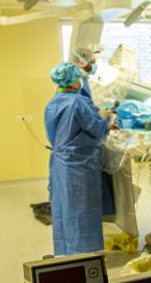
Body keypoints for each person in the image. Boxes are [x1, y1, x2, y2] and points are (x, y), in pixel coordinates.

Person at [45, 61, 110, 255]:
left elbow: (53, 134)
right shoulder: (78, 102)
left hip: (60, 164)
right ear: (73, 82)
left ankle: (66, 251)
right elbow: (97, 127)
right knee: (82, 209)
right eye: (79, 78)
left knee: (64, 208)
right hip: (79, 165)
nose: (81, 81)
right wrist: (109, 122)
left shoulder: (52, 103)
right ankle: (84, 253)